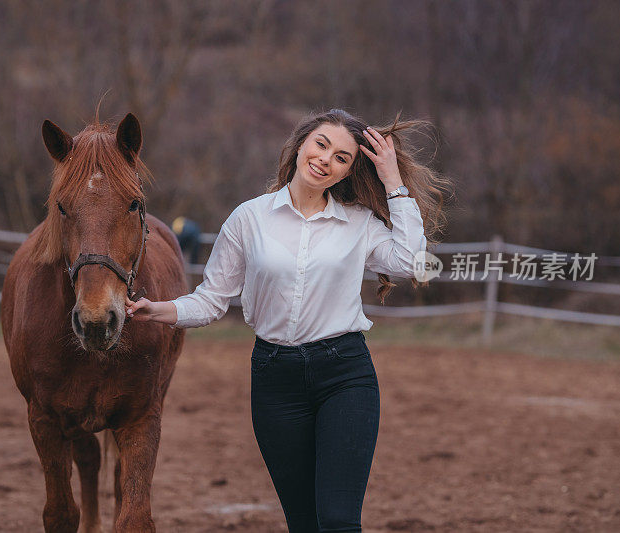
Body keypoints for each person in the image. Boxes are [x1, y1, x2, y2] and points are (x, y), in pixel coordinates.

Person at [125, 109, 447, 532]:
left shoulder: (359, 224)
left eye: (342, 157)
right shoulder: (248, 219)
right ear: (300, 145)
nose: (326, 159)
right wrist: (157, 310)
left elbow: (410, 262)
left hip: (345, 376)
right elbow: (211, 301)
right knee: (304, 522)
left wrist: (392, 181)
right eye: (321, 144)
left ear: (348, 172)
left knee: (337, 520)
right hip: (275, 380)